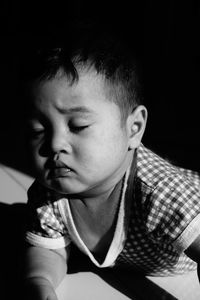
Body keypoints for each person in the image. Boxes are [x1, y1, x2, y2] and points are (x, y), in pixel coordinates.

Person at [21, 23, 200, 300]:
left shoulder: (162, 193)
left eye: (78, 125)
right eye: (37, 131)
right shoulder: (50, 194)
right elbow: (49, 249)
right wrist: (40, 281)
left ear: (134, 128)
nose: (54, 144)